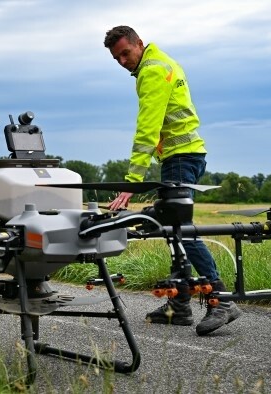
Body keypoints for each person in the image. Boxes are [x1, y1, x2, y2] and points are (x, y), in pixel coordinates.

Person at [103, 25, 242, 336]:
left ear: (139, 43)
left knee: (182, 230)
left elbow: (147, 130)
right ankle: (179, 305)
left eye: (126, 53)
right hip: (183, 156)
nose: (123, 61)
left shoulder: (152, 71)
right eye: (117, 58)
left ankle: (221, 300)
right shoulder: (163, 62)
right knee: (173, 228)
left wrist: (131, 183)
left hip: (180, 157)